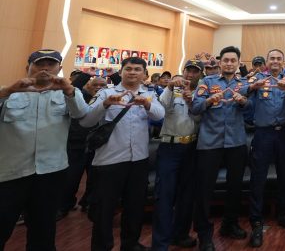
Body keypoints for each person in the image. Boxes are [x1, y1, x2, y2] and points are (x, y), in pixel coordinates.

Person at [0, 50, 89, 251]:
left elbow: (83, 116)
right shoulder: (9, 92)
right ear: (28, 68)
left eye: (51, 65)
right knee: (2, 223)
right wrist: (9, 91)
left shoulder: (68, 94)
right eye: (40, 64)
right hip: (11, 172)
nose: (45, 69)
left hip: (51, 172)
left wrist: (69, 90)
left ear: (59, 69)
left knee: (43, 229)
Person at [80, 56, 165, 251]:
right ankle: (101, 246)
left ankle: (130, 244)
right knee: (104, 209)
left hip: (139, 160)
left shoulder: (149, 94)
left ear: (144, 74)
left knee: (135, 206)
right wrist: (105, 104)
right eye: (128, 69)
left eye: (137, 69)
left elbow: (160, 115)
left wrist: (147, 104)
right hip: (109, 160)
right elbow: (86, 121)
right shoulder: (105, 93)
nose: (132, 72)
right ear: (121, 72)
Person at [190, 46, 251, 251]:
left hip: (236, 142)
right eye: (226, 60)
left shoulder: (243, 84)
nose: (229, 63)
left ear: (238, 63)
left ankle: (229, 224)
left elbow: (251, 112)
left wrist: (243, 102)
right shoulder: (207, 82)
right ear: (219, 62)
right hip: (210, 143)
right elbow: (195, 108)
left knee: (234, 187)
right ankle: (204, 234)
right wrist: (209, 100)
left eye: (233, 60)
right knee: (204, 190)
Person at [245, 49, 285, 247]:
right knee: (258, 178)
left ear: (284, 61)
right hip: (263, 134)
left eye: (279, 58)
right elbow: (244, 95)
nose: (275, 61)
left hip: (283, 133)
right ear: (267, 61)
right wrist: (252, 88)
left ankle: (284, 214)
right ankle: (256, 221)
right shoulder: (256, 80)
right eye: (272, 58)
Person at [151, 60, 204, 250]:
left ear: (200, 75)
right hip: (170, 147)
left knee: (187, 196)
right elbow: (160, 110)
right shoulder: (171, 90)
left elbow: (199, 118)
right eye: (188, 70)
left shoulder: (202, 92)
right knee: (165, 196)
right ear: (183, 71)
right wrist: (170, 87)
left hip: (191, 147)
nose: (190, 74)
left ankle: (180, 235)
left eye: (195, 72)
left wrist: (191, 101)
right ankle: (160, 243)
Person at [58, 74, 107, 219]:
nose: (98, 88)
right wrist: (87, 74)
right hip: (76, 144)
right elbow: (74, 87)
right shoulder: (80, 96)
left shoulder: (109, 99)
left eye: (102, 85)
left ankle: (87, 202)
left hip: (97, 146)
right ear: (88, 86)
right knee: (71, 178)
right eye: (95, 85)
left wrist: (113, 75)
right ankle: (64, 205)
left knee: (94, 178)